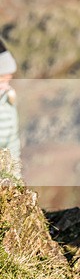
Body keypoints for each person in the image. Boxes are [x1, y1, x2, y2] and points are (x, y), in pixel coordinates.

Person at [0, 39, 21, 177]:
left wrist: (16, 181)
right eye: (1, 78)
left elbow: (12, 146)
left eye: (8, 79)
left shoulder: (8, 101)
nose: (5, 86)